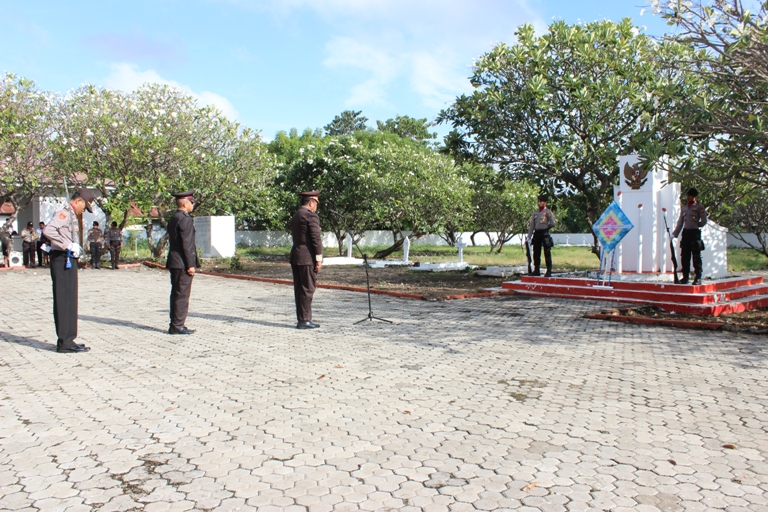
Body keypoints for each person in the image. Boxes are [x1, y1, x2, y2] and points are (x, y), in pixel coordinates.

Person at [43, 188, 96, 353]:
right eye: (84, 207)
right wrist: (67, 245)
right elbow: (48, 230)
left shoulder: (72, 213)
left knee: (70, 299)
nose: (83, 211)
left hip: (68, 258)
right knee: (63, 298)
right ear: (78, 201)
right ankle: (64, 341)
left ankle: (69, 338)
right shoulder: (64, 212)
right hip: (61, 258)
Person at [166, 190, 199, 335]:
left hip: (175, 261)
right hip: (182, 263)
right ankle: (177, 325)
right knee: (182, 295)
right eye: (191, 202)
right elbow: (187, 243)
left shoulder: (174, 217)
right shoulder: (185, 219)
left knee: (176, 293)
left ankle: (175, 323)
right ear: (185, 203)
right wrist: (190, 264)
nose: (192, 205)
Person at [290, 190, 323, 329]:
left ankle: (301, 319)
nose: (316, 207)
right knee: (308, 288)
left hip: (296, 255)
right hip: (307, 257)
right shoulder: (310, 216)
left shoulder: (297, 215)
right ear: (311, 202)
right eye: (315, 203)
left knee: (299, 289)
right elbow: (316, 239)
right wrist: (319, 258)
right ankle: (305, 320)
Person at [671, 187, 708, 285]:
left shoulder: (699, 207)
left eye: (689, 196)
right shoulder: (684, 208)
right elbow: (680, 222)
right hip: (686, 233)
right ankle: (685, 276)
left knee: (696, 256)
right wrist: (675, 234)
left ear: (694, 197)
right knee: (685, 256)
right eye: (687, 195)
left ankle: (698, 277)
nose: (687, 197)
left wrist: (697, 225)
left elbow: (704, 221)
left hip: (695, 233)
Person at [527, 194, 556, 277]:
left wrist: (546, 227)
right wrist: (529, 236)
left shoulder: (548, 212)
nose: (539, 203)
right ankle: (536, 270)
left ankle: (549, 270)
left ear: (545, 203)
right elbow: (532, 225)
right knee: (536, 252)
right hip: (537, 234)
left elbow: (553, 223)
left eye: (541, 201)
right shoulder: (536, 213)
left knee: (547, 252)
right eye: (538, 201)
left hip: (545, 233)